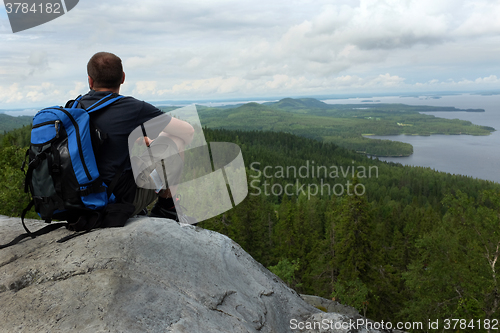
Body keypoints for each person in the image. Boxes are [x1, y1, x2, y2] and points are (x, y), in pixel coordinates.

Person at [79, 52, 194, 222]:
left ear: (90, 80)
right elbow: (188, 131)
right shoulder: (132, 108)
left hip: (80, 199)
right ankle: (167, 207)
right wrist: (156, 140)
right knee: (175, 141)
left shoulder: (76, 107)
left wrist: (140, 138)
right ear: (123, 78)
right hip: (115, 201)